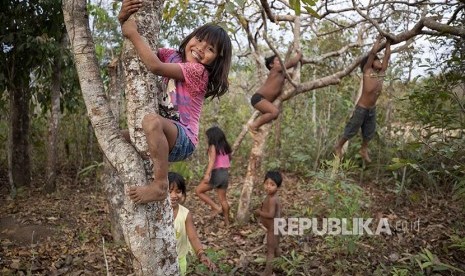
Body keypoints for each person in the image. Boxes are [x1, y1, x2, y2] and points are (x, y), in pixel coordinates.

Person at [118, 0, 232, 203]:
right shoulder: (171, 55)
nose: (200, 48)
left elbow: (154, 66)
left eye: (210, 49)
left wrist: (132, 33)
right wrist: (123, 19)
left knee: (151, 121)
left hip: (183, 138)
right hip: (162, 133)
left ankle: (160, 185)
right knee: (118, 137)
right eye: (199, 40)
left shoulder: (199, 72)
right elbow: (143, 51)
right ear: (190, 37)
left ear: (216, 60)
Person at [334, 35, 391, 163]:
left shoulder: (381, 74)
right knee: (352, 129)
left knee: (369, 131)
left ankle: (363, 149)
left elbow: (387, 56)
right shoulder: (367, 71)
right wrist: (378, 40)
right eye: (377, 60)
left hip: (371, 109)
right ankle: (339, 145)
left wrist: (388, 43)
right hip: (362, 108)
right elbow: (372, 53)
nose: (380, 62)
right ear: (371, 63)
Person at [168, 172, 217, 275]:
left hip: (179, 260)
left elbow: (193, 237)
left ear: (183, 193)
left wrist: (201, 254)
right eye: (169, 191)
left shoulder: (185, 214)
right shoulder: (155, 213)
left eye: (178, 191)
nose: (173, 195)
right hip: (159, 262)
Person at [249, 51, 302, 133]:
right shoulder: (275, 70)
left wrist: (300, 63)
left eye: (281, 60)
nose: (281, 62)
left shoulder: (281, 74)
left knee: (273, 115)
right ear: (271, 65)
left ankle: (256, 127)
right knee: (275, 112)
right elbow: (292, 62)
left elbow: (291, 74)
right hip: (258, 98)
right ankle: (253, 126)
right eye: (278, 60)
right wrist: (299, 55)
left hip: (263, 100)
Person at [195, 126, 232, 226]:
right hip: (225, 174)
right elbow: (228, 160)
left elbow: (212, 161)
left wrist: (207, 174)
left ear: (212, 137)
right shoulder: (225, 147)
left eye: (208, 137)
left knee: (198, 191)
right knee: (223, 199)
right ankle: (227, 222)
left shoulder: (212, 147)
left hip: (217, 173)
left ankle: (216, 207)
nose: (207, 139)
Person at [254, 171, 282, 276]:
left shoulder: (273, 199)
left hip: (273, 228)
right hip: (276, 227)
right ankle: (280, 265)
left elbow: (270, 214)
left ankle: (267, 272)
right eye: (266, 183)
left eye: (272, 184)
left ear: (277, 187)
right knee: (275, 248)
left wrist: (259, 212)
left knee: (270, 250)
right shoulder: (270, 196)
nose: (268, 186)